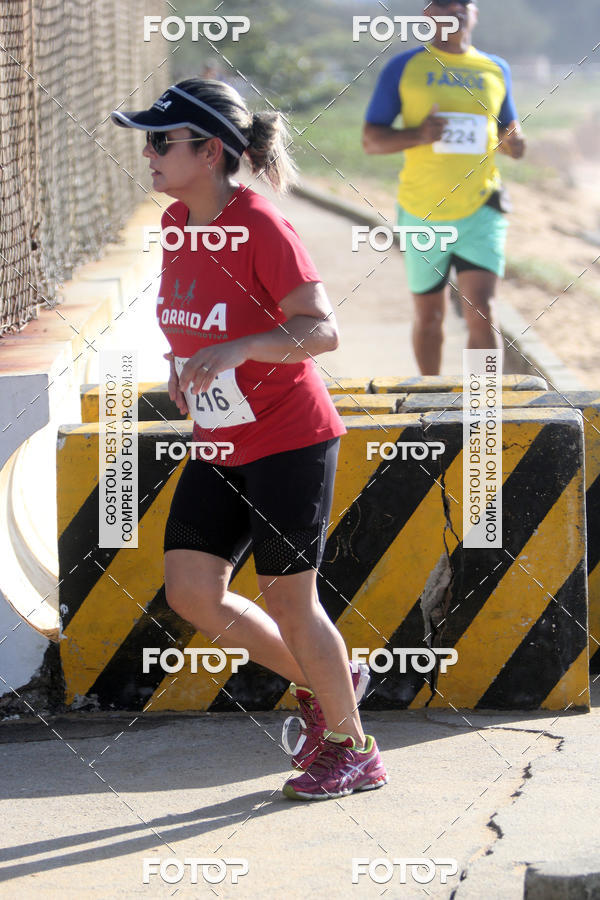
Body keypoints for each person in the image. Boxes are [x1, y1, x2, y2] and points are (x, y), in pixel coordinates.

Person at [111, 79, 387, 800]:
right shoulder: (178, 222)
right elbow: (195, 318)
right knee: (192, 592)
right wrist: (184, 368)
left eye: (161, 140)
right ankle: (332, 681)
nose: (149, 152)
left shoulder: (261, 225)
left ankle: (353, 748)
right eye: (147, 139)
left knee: (290, 600)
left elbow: (321, 329)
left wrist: (239, 350)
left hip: (289, 439)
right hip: (220, 438)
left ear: (210, 151)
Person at [362, 0, 526, 374]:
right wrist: (419, 134)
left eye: (462, 2)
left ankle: (483, 403)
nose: (454, 9)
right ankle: (430, 397)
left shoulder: (496, 68)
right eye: (443, 3)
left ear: (475, 12)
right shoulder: (403, 68)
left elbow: (510, 132)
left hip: (482, 207)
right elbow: (371, 141)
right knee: (430, 316)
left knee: (482, 308)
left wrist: (515, 144)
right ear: (428, 15)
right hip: (423, 210)